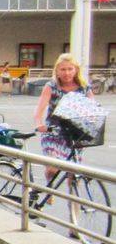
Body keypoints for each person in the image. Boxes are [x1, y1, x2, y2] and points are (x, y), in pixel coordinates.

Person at [34, 53, 93, 181]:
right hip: (53, 132)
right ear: (57, 71)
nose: (67, 73)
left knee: (73, 172)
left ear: (76, 70)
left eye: (70, 69)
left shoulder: (84, 88)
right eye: (63, 69)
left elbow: (93, 109)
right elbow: (39, 111)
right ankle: (50, 185)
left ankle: (73, 200)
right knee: (52, 168)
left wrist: (91, 123)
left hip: (74, 134)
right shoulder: (52, 87)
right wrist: (39, 124)